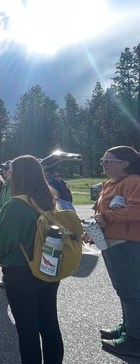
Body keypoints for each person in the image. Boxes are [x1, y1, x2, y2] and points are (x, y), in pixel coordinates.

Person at [0, 155, 64, 364]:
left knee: (27, 330)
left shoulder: (16, 205)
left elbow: (2, 245)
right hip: (49, 268)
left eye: (10, 172)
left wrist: (3, 261)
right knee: (50, 325)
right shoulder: (49, 201)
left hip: (21, 273)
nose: (7, 175)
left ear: (19, 176)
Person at [88, 146, 140, 358]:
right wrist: (93, 230)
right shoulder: (112, 184)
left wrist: (107, 217)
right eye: (102, 160)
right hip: (113, 243)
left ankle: (134, 340)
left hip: (127, 244)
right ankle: (128, 328)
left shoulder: (133, 182)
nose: (103, 164)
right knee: (124, 290)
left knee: (130, 292)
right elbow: (101, 213)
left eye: (107, 161)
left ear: (125, 163)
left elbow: (136, 209)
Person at [0, 160, 12, 288]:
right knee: (5, 250)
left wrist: (6, 210)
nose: (4, 171)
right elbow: (0, 199)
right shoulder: (5, 184)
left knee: (10, 251)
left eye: (6, 169)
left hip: (12, 220)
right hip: (4, 218)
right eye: (3, 169)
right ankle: (6, 277)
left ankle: (9, 279)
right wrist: (0, 208)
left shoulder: (17, 184)